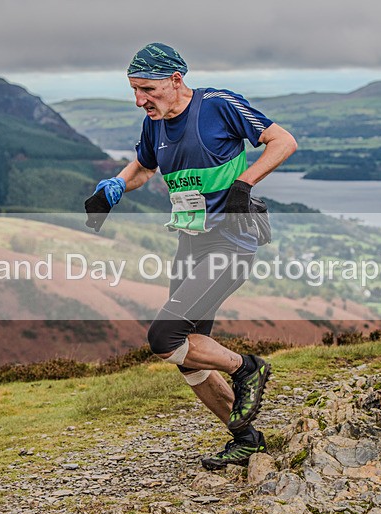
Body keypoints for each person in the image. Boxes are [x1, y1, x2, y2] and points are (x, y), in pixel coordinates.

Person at [84, 43, 297, 470]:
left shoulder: (217, 105)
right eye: (133, 90)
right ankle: (246, 439)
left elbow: (282, 141)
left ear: (176, 80)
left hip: (230, 242)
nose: (140, 100)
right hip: (189, 243)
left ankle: (247, 368)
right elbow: (144, 168)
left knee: (164, 337)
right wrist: (116, 186)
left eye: (147, 89)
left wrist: (245, 184)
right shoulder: (155, 124)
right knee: (184, 353)